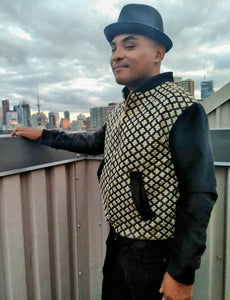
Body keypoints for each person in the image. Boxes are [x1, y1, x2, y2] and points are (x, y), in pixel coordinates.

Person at [12, 4, 217, 300]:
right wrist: (43, 134)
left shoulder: (182, 108)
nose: (116, 55)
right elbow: (95, 142)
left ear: (158, 53)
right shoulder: (123, 108)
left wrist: (181, 272)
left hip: (155, 253)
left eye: (129, 45)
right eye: (113, 47)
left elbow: (200, 194)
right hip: (118, 242)